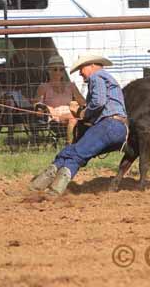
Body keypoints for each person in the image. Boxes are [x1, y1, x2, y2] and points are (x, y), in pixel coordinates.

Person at [29, 54, 127, 196]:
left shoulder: (96, 76)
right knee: (70, 151)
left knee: (75, 154)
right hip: (117, 128)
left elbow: (98, 103)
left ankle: (53, 191)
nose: (80, 72)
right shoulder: (106, 78)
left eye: (81, 68)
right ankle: (37, 186)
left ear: (92, 65)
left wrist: (83, 113)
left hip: (108, 125)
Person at [34, 55, 86, 144]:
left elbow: (83, 102)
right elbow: (36, 104)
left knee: (81, 116)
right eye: (55, 69)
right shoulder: (44, 87)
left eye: (61, 69)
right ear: (49, 71)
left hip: (71, 113)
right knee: (74, 118)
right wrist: (41, 108)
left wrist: (76, 103)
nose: (58, 72)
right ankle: (71, 145)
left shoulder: (71, 86)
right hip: (54, 117)